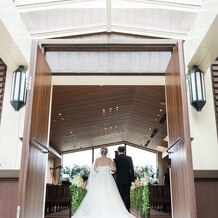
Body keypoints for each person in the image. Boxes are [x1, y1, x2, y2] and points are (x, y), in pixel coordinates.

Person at [72, 147, 136, 218]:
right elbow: (113, 169)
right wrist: (114, 169)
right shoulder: (110, 160)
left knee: (97, 194)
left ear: (101, 152)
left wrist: (99, 171)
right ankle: (124, 210)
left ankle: (95, 209)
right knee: (114, 194)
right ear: (106, 152)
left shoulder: (97, 160)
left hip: (99, 178)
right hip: (109, 178)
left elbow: (94, 170)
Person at [114, 146, 135, 212]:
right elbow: (132, 169)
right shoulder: (129, 158)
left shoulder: (115, 159)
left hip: (119, 180)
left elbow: (114, 170)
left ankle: (121, 210)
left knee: (120, 195)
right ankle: (127, 210)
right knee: (127, 195)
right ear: (124, 151)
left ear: (118, 151)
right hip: (127, 180)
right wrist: (132, 179)